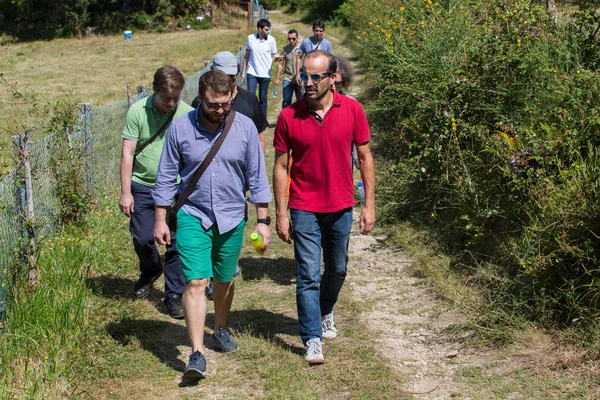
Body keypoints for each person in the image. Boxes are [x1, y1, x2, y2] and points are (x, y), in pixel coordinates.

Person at [152, 69, 272, 378]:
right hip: (193, 214)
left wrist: (263, 220)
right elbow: (165, 177)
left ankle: (219, 328)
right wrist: (160, 220)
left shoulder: (244, 128)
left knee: (224, 279)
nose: (219, 111)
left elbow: (257, 177)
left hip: (232, 217)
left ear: (231, 96)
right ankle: (196, 353)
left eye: (224, 104)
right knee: (195, 282)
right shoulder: (180, 129)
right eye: (212, 105)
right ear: (200, 99)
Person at [273, 50, 375, 365]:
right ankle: (312, 338)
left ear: (333, 78)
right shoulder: (289, 116)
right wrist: (281, 212)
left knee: (338, 268)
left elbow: (365, 158)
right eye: (305, 75)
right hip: (304, 206)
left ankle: (325, 309)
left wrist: (369, 205)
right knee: (306, 274)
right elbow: (279, 167)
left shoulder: (353, 109)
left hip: (342, 204)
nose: (309, 82)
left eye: (317, 76)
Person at [192, 50, 270, 299]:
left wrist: (256, 165)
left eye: (231, 77)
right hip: (207, 177)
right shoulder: (199, 104)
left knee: (234, 211)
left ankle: (226, 259)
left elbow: (259, 134)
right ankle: (212, 270)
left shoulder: (248, 100)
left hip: (239, 171)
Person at [119, 65, 194, 320]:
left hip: (175, 188)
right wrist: (125, 192)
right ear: (155, 91)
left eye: (176, 98)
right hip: (142, 186)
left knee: (174, 241)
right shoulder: (137, 111)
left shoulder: (187, 114)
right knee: (142, 238)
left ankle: (173, 295)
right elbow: (128, 153)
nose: (171, 103)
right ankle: (150, 270)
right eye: (166, 98)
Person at [192, 51, 269, 156]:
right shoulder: (200, 102)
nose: (227, 83)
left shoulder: (250, 99)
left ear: (237, 74)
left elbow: (260, 137)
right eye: (222, 78)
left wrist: (260, 168)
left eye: (231, 77)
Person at [242, 18, 277, 117]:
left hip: (265, 73)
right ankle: (250, 118)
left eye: (269, 29)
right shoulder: (250, 38)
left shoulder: (271, 40)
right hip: (252, 71)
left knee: (263, 98)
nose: (268, 32)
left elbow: (273, 56)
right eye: (266, 29)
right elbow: (247, 56)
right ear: (259, 29)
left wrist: (273, 59)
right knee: (251, 96)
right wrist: (244, 72)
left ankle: (262, 120)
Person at [333, 55, 360, 170]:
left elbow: (357, 138)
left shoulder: (352, 104)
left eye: (337, 84)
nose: (333, 88)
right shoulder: (314, 105)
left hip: (344, 167)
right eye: (330, 82)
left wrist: (358, 160)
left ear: (344, 82)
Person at [295, 20, 333, 86]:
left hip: (321, 75)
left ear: (323, 31)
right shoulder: (306, 42)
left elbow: (331, 61)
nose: (318, 33)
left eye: (320, 31)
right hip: (308, 74)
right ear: (313, 30)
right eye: (316, 31)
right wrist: (298, 74)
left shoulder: (327, 44)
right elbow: (298, 57)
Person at [274, 29, 302, 109]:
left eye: (293, 38)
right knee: (286, 100)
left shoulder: (301, 49)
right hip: (287, 77)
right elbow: (280, 63)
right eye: (289, 39)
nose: (291, 41)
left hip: (299, 77)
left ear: (297, 38)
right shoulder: (285, 49)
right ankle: (285, 118)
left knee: (300, 100)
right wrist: (277, 78)